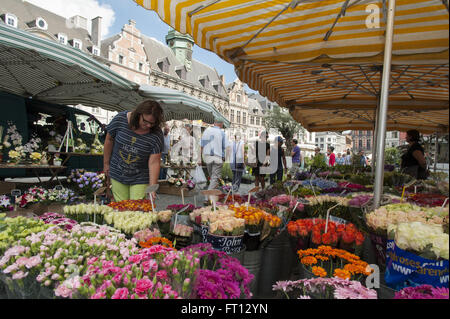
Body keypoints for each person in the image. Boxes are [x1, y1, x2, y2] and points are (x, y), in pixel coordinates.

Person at [103, 100, 164, 202]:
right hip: (117, 172)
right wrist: (106, 163)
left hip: (140, 177)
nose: (148, 125)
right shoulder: (120, 119)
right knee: (121, 206)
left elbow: (154, 162)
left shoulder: (156, 134)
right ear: (139, 114)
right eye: (145, 121)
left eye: (152, 123)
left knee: (137, 208)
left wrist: (152, 187)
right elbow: (109, 139)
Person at [200, 120, 226, 203]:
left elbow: (201, 145)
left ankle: (212, 196)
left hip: (207, 157)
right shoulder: (222, 133)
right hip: (217, 157)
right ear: (221, 124)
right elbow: (224, 146)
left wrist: (200, 158)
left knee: (212, 178)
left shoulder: (206, 131)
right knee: (214, 178)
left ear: (214, 123)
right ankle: (207, 198)